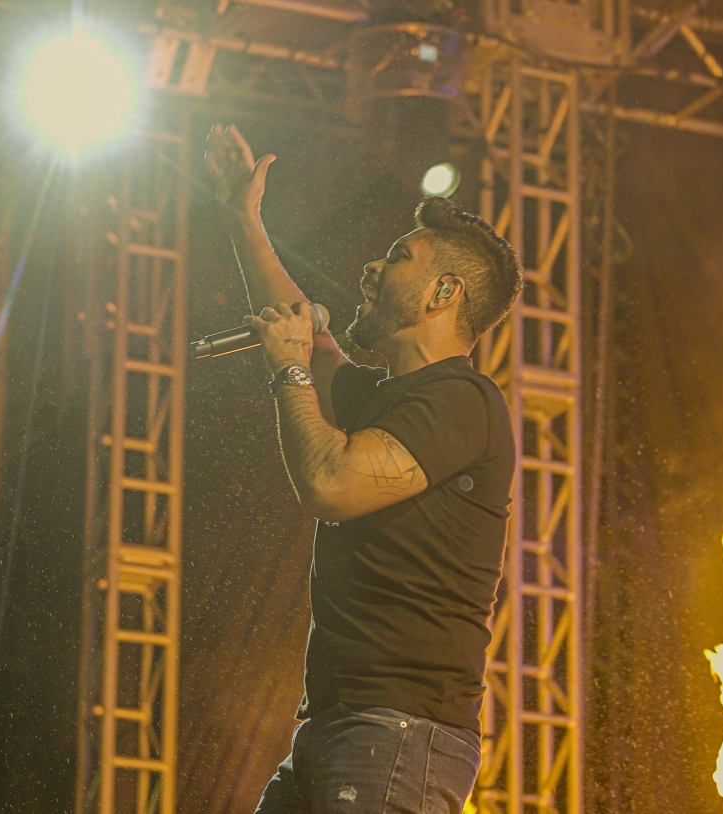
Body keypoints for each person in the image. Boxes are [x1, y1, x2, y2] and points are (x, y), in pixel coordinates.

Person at [205, 124, 522, 814]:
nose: (370, 269)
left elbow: (331, 484)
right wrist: (243, 217)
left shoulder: (464, 400)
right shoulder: (384, 397)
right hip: (339, 727)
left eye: (397, 258)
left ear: (443, 293)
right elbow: (306, 330)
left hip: (399, 732)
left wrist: (288, 368)